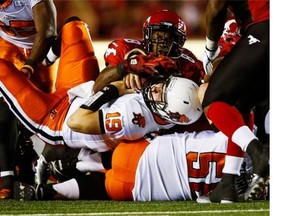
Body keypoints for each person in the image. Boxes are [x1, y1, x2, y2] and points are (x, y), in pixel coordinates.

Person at [0, 16, 203, 183]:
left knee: (2, 69)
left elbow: (79, 119)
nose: (161, 45)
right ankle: (47, 60)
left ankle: (25, 150)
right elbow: (98, 84)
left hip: (57, 120)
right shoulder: (176, 69)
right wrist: (133, 61)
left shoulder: (133, 118)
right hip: (81, 89)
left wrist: (121, 81)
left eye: (167, 39)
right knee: (73, 26)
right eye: (157, 37)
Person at [13, 130, 230, 201]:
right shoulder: (245, 186)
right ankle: (49, 191)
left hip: (135, 152)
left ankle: (64, 166)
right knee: (100, 188)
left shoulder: (238, 137)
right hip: (134, 190)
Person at [196, 0, 269, 203]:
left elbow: (215, 8)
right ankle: (228, 184)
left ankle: (259, 153)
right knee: (241, 104)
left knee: (213, 100)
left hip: (265, 28)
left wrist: (210, 49)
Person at [0, 0, 57, 199]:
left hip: (39, 51)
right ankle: (6, 176)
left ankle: (26, 162)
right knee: (4, 105)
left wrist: (29, 67)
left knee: (40, 116)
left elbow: (48, 32)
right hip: (7, 47)